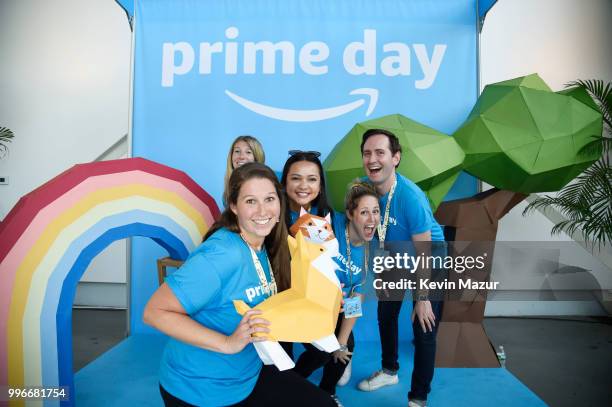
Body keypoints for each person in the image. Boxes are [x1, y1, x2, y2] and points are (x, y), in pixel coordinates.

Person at [144, 162, 335, 407]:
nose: (262, 210)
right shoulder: (220, 255)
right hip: (200, 388)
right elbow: (154, 312)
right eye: (250, 201)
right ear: (234, 206)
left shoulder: (265, 244)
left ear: (280, 202)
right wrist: (227, 343)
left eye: (269, 199)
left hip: (248, 375)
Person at [356, 129, 446, 407]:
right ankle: (389, 371)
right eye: (367, 153)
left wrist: (422, 298)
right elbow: (367, 234)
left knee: (424, 325)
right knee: (386, 314)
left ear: (395, 158)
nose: (372, 159)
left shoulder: (410, 198)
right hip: (393, 256)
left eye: (380, 152)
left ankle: (418, 397)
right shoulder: (363, 189)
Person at [294, 181, 380, 407]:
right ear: (350, 214)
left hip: (335, 308)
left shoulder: (371, 252)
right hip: (306, 302)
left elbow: (356, 297)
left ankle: (327, 392)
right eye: (364, 212)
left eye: (376, 211)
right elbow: (301, 245)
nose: (372, 219)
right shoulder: (332, 225)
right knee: (322, 352)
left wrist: (341, 342)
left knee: (346, 346)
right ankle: (291, 382)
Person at [279, 150, 344, 360]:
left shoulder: (325, 214)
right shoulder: (272, 211)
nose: (303, 186)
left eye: (312, 179)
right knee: (281, 355)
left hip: (315, 294)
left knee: (334, 348)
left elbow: (330, 256)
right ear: (285, 181)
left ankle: (323, 388)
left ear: (320, 185)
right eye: (296, 178)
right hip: (280, 294)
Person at [223, 135, 265, 206]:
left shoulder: (271, 182)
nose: (241, 156)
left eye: (248, 152)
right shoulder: (227, 195)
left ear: (257, 158)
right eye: (237, 151)